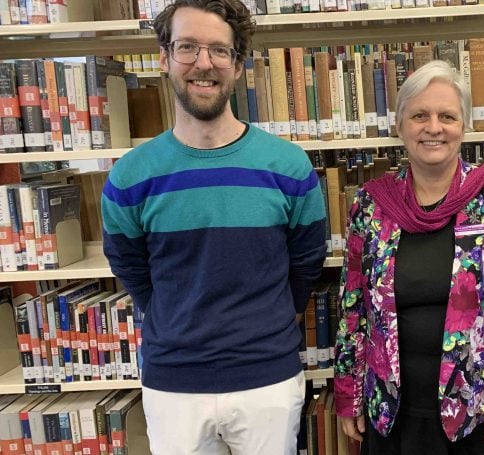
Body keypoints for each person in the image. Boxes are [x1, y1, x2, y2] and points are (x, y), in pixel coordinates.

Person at [101, 1, 327, 453]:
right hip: (174, 385)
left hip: (268, 380)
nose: (204, 63)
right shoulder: (129, 177)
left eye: (219, 51)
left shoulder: (288, 167)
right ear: (164, 58)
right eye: (187, 47)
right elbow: (132, 271)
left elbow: (305, 265)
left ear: (237, 65)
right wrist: (179, 317)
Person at [333, 60, 484, 455]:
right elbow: (353, 308)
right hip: (390, 412)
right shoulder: (371, 205)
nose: (433, 127)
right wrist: (348, 394)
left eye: (447, 116)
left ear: (463, 126)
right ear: (400, 126)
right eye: (420, 115)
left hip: (475, 414)